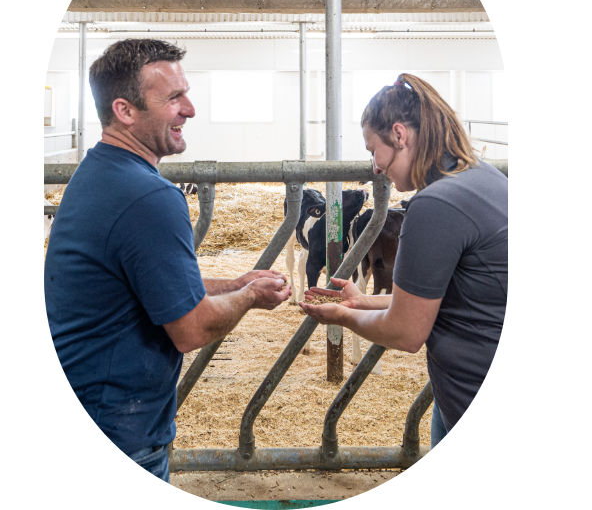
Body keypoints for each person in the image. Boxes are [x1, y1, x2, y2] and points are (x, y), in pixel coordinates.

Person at [44, 39, 291, 482]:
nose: (190, 109)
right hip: (119, 427)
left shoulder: (97, 173)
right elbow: (191, 328)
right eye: (174, 98)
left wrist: (233, 283)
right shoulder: (150, 196)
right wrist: (251, 295)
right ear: (125, 110)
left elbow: (147, 283)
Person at [298, 73, 507, 450]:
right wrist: (363, 301)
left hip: (469, 383)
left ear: (399, 135)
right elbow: (446, 298)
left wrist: (343, 316)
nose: (375, 167)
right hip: (457, 389)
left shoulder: (436, 204)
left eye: (372, 150)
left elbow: (407, 331)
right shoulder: (482, 175)